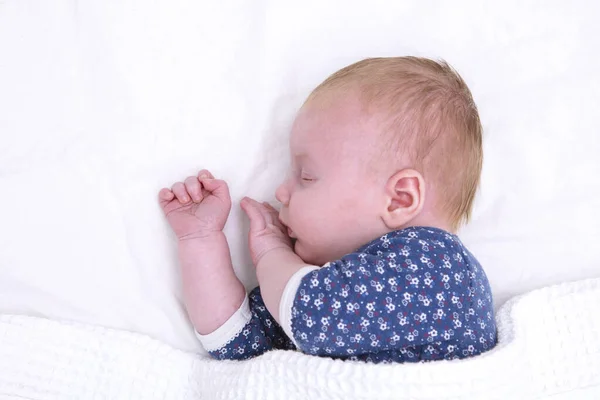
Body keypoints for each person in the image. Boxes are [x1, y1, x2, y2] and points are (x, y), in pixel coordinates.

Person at [158, 57, 497, 363]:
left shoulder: (441, 269)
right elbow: (237, 343)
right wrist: (201, 240)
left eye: (306, 176)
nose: (281, 192)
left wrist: (270, 251)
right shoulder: (329, 282)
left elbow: (307, 310)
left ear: (399, 200)